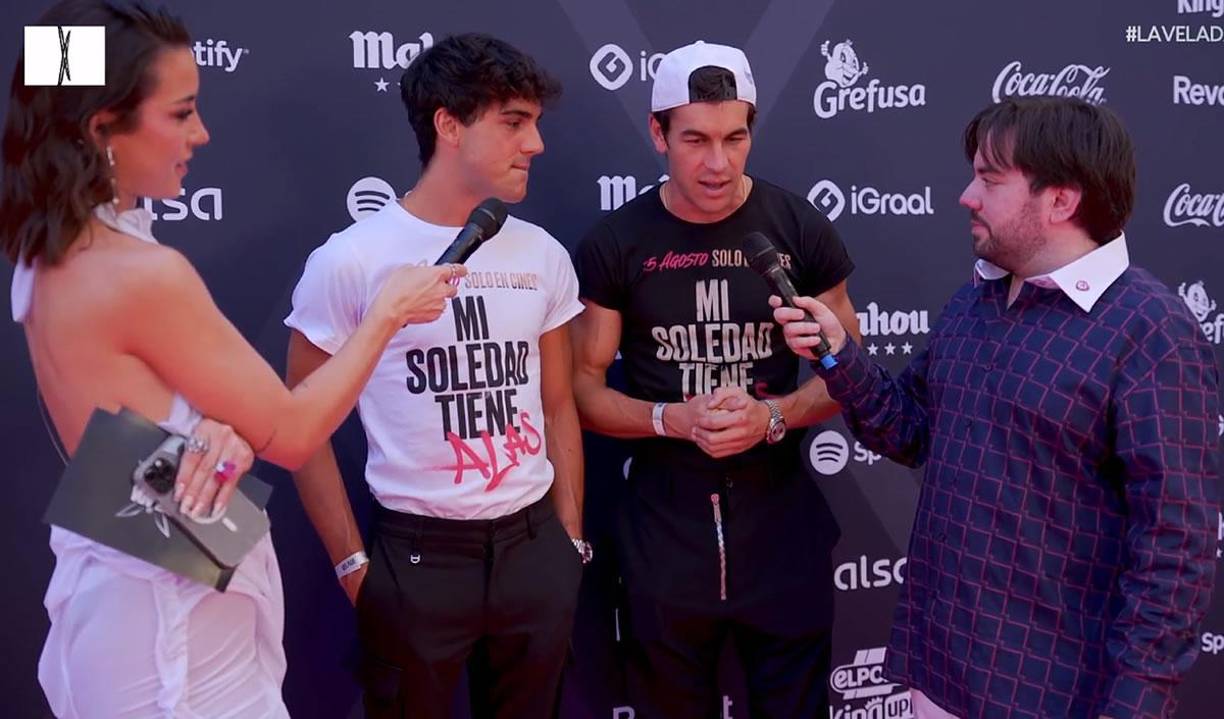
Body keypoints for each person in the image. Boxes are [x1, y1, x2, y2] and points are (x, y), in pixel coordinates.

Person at [0, 2, 462, 716]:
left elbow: (133, 417)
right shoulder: (140, 275)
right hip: (169, 619)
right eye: (181, 112)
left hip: (135, 574)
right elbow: (298, 431)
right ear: (102, 130)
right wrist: (389, 313)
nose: (202, 133)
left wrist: (223, 430)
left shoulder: (49, 250)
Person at [772, 96, 1220, 719]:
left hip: (1057, 696)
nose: (967, 196)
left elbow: (1174, 553)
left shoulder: (1151, 331)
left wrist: (1135, 706)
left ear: (1060, 200)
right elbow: (909, 430)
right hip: (936, 676)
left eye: (989, 179)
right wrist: (837, 353)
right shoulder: (974, 302)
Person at [284, 33, 586, 718]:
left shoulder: (543, 255)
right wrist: (352, 565)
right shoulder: (352, 261)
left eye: (535, 122)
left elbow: (559, 403)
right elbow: (300, 424)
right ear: (448, 125)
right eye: (513, 122)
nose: (535, 143)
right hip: (417, 557)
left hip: (535, 548)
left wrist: (567, 542)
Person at [571, 41, 861, 717]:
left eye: (735, 137)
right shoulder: (617, 243)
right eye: (695, 139)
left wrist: (776, 414)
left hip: (780, 519)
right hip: (663, 531)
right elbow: (582, 390)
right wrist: (671, 418)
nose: (717, 163)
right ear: (657, 133)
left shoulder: (800, 228)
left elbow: (851, 371)